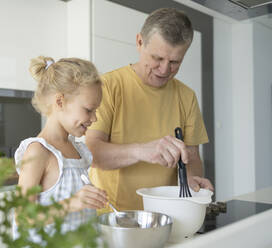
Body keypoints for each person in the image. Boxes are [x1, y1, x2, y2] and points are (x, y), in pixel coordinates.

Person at [86, 8, 214, 213]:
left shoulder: (187, 96)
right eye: (157, 58)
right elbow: (92, 153)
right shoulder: (107, 86)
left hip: (167, 214)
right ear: (139, 42)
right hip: (112, 215)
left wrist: (191, 179)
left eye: (174, 62)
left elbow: (192, 156)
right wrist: (141, 151)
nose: (164, 70)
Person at [12, 56, 108, 242]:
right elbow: (22, 216)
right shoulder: (38, 151)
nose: (94, 118)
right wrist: (73, 203)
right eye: (89, 110)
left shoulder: (78, 150)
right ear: (59, 102)